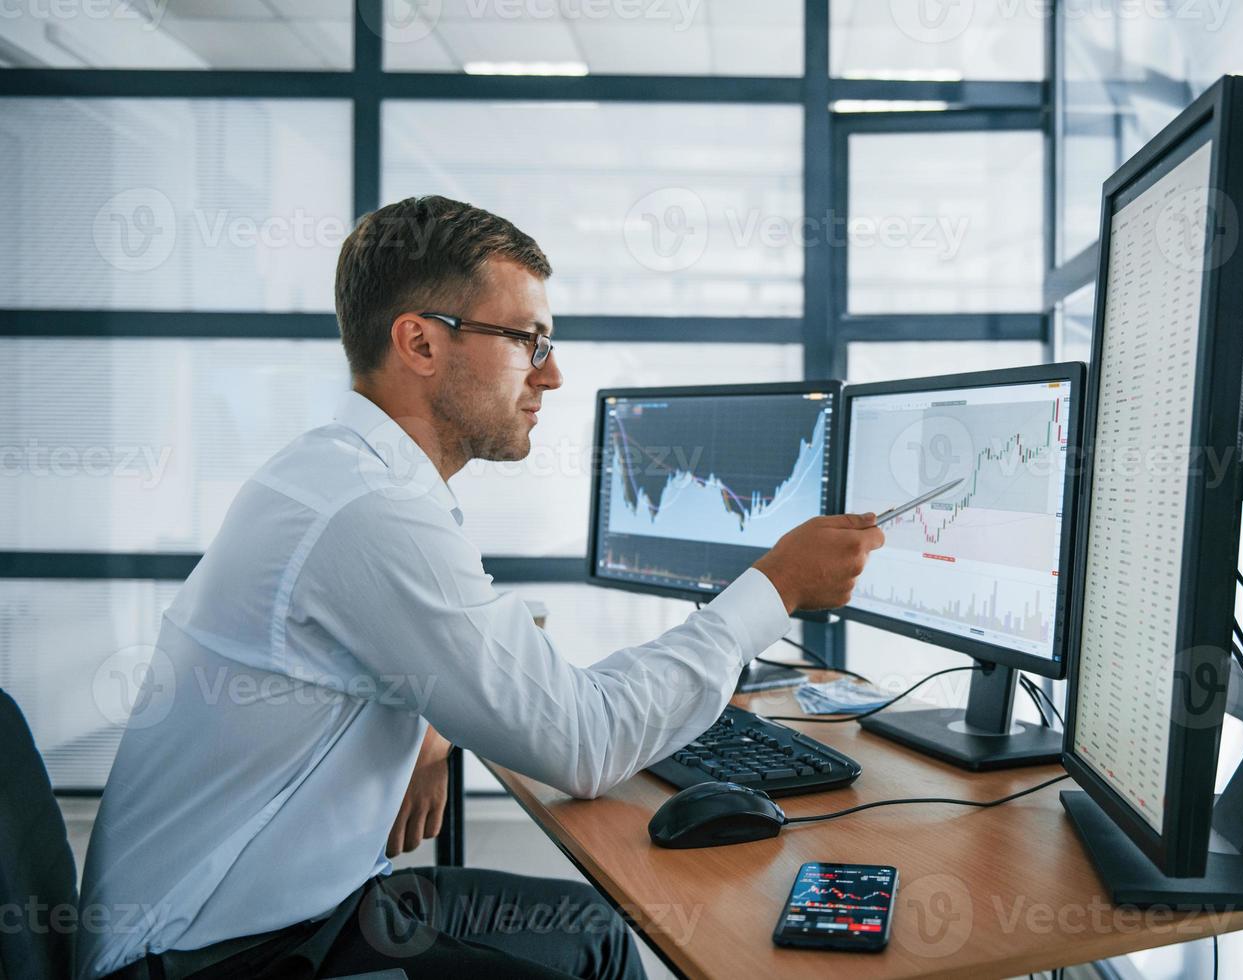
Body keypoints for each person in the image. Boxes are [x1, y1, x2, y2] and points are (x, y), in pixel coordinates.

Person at [77, 195, 885, 980]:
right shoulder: (372, 509)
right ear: (420, 344)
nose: (554, 374)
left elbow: (446, 648)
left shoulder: (346, 474)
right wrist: (773, 588)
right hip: (213, 956)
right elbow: (584, 746)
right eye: (528, 339)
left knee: (592, 929)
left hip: (275, 912)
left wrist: (432, 717)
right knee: (613, 939)